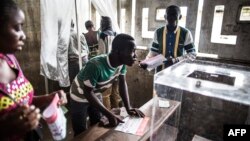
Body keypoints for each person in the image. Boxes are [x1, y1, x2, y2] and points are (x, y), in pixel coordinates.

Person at [0, 0, 67, 140]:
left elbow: (23, 101)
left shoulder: (10, 59)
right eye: (17, 28)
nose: (24, 35)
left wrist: (48, 98)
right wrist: (7, 127)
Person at [70, 34, 145, 136]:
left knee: (96, 125)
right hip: (79, 96)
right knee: (81, 132)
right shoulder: (95, 65)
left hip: (95, 93)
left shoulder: (121, 64)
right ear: (118, 52)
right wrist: (109, 114)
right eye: (132, 52)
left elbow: (122, 84)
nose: (135, 56)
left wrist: (128, 108)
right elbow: (87, 92)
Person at [140, 5, 196, 72]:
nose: (171, 17)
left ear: (180, 17)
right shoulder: (158, 32)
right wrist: (146, 62)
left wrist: (176, 60)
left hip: (178, 71)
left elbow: (192, 54)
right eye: (168, 15)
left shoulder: (185, 33)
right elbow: (153, 52)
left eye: (174, 15)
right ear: (165, 17)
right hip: (160, 71)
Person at [98, 16, 121, 110]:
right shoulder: (116, 34)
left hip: (106, 68)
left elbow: (101, 54)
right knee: (115, 93)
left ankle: (108, 116)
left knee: (105, 95)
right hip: (116, 68)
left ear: (103, 24)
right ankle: (117, 114)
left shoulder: (103, 35)